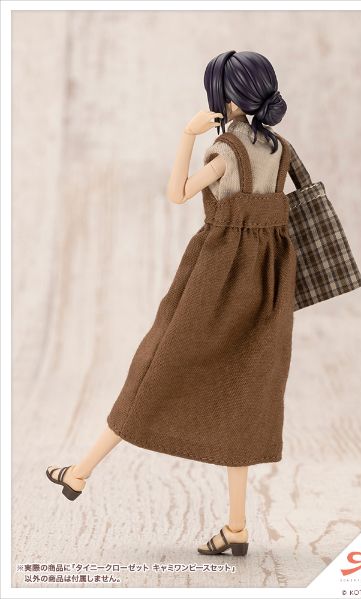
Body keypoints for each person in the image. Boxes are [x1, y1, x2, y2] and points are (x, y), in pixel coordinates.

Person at [46, 50, 296, 558]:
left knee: (154, 366)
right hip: (268, 283)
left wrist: (187, 135)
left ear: (226, 97)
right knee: (245, 394)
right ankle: (237, 527)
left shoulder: (227, 149)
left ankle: (80, 472)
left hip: (218, 279)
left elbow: (178, 193)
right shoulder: (282, 149)